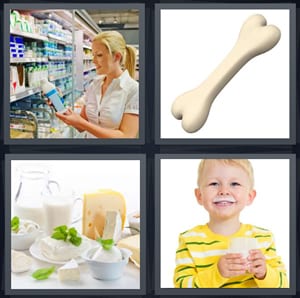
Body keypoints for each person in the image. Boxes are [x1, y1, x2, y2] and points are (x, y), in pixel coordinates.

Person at [174, 159, 288, 288]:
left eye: (234, 183)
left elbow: (284, 285)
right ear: (199, 195)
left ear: (250, 196)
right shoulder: (189, 240)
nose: (224, 191)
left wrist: (264, 273)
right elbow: (181, 287)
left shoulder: (263, 238)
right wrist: (217, 273)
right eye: (214, 183)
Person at [55, 31, 139, 138]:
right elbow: (81, 126)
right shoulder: (94, 85)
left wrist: (83, 124)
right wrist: (59, 105)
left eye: (99, 55)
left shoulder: (133, 90)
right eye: (93, 55)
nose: (93, 61)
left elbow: (126, 137)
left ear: (117, 57)